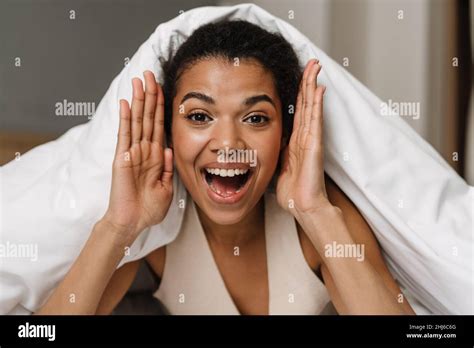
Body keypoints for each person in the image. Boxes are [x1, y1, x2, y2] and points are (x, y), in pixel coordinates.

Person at [36, 20, 415, 315]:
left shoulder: (322, 216)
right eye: (200, 116)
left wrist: (315, 212)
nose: (229, 143)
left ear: (287, 132)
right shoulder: (154, 234)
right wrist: (118, 227)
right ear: (169, 131)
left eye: (255, 119)